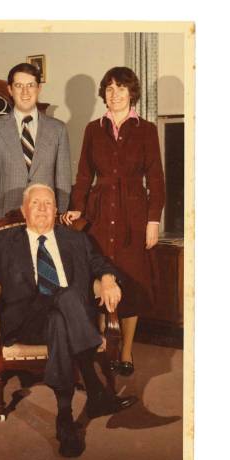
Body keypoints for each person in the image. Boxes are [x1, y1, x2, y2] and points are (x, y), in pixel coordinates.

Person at [0, 184, 136, 458]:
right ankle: (95, 387)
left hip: (67, 321)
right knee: (64, 300)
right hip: (27, 322)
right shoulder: (5, 243)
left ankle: (64, 419)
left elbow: (101, 264)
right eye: (35, 203)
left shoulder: (76, 240)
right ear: (24, 211)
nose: (42, 208)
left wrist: (109, 278)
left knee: (60, 316)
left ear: (56, 211)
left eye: (48, 204)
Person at [63, 67, 165, 377]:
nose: (114, 93)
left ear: (131, 93)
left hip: (133, 216)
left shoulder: (145, 129)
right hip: (99, 213)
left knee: (130, 283)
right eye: (108, 88)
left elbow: (156, 179)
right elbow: (83, 175)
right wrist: (78, 208)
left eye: (120, 88)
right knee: (97, 280)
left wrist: (153, 221)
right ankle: (101, 344)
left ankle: (126, 351)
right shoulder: (94, 129)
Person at [0, 63, 72, 219]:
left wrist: (59, 216)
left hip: (46, 217)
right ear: (10, 89)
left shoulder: (58, 129)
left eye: (30, 85)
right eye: (19, 86)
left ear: (38, 88)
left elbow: (63, 179)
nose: (25, 92)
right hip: (6, 216)